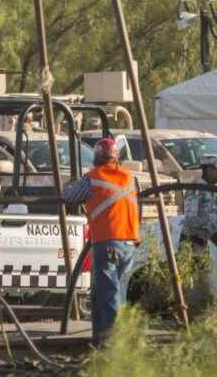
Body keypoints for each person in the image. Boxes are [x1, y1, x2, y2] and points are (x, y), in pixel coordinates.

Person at [63, 138, 139, 347]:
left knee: (108, 295)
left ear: (96, 158)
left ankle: (114, 345)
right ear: (117, 158)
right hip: (130, 243)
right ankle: (100, 341)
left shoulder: (93, 178)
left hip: (107, 242)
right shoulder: (129, 177)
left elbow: (69, 196)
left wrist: (70, 183)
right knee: (106, 292)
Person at [181, 155, 217, 251]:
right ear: (209, 170)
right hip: (191, 244)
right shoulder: (197, 188)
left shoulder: (212, 189)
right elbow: (191, 219)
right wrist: (211, 235)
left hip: (202, 243)